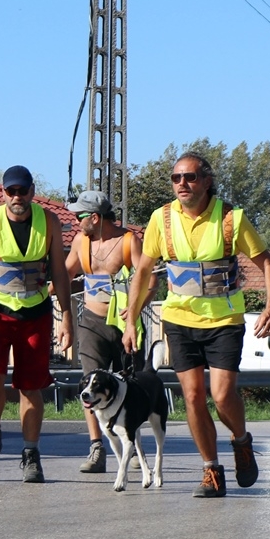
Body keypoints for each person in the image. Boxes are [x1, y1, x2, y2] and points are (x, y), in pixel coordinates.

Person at [122, 152, 270, 498]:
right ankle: (211, 470)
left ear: (206, 181)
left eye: (190, 177)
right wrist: (131, 321)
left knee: (222, 396)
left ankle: (241, 442)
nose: (182, 184)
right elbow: (143, 272)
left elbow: (268, 263)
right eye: (176, 178)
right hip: (179, 319)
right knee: (193, 397)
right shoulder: (160, 219)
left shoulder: (231, 219)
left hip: (224, 319)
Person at [0, 165, 74, 483]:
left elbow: (60, 273)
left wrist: (67, 319)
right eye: (11, 191)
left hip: (35, 314)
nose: (16, 196)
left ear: (33, 192)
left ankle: (31, 455)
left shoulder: (49, 222)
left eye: (22, 190)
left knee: (30, 386)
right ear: (3, 192)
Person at [65, 190, 156, 473]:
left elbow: (150, 279)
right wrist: (38, 285)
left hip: (125, 325)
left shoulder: (129, 241)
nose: (75, 221)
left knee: (133, 386)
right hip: (92, 322)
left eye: (80, 216)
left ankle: (135, 447)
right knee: (88, 385)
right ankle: (97, 449)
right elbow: (63, 274)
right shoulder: (81, 241)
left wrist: (137, 309)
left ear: (95, 217)